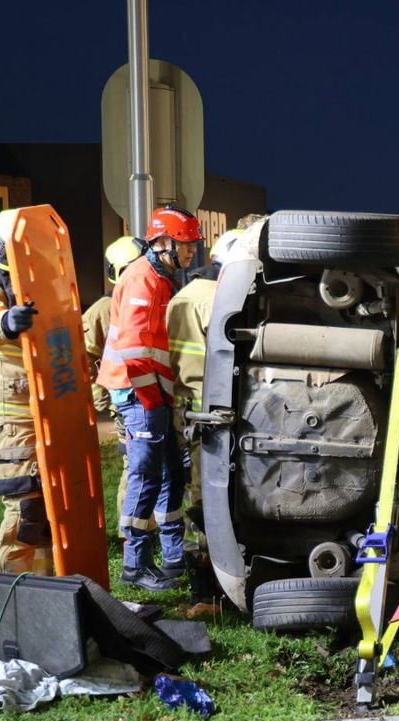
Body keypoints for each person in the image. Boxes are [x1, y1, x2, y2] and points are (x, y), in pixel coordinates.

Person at [97, 204, 203, 591]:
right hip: (139, 392)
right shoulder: (143, 280)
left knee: (172, 473)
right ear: (162, 242)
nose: (192, 251)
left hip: (155, 392)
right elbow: (133, 351)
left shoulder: (160, 276)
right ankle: (135, 565)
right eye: (185, 243)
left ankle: (173, 557)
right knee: (146, 476)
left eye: (193, 244)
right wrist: (153, 400)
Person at [167, 226, 244, 613]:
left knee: (209, 497)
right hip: (209, 416)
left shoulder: (189, 297)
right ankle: (207, 593)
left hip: (204, 414)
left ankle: (213, 588)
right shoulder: (214, 299)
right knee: (207, 501)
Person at [0, 208, 51, 574]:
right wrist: (5, 322)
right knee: (25, 511)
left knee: (49, 511)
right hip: (8, 419)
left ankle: (42, 594)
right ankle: (2, 602)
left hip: (38, 416)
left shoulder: (35, 289)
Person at [84, 236, 145, 526]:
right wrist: (103, 399)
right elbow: (83, 354)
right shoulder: (103, 309)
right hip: (125, 400)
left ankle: (146, 527)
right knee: (133, 465)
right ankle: (130, 533)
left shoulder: (149, 300)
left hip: (151, 397)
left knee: (149, 466)